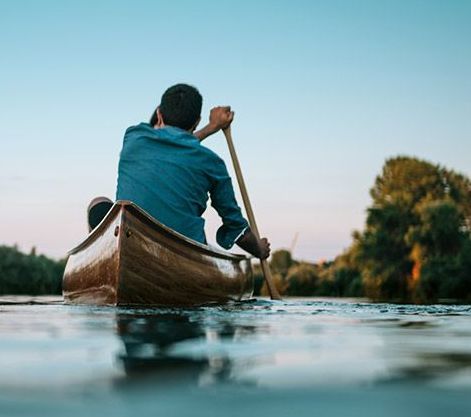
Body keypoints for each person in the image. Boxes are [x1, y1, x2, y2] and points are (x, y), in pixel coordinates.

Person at [91, 83, 270, 259]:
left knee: (98, 203)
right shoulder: (213, 163)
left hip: (133, 247)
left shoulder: (134, 136)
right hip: (185, 254)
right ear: (197, 121)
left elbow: (170, 144)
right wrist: (259, 250)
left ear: (159, 114)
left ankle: (105, 259)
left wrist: (210, 128)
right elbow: (237, 229)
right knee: (100, 204)